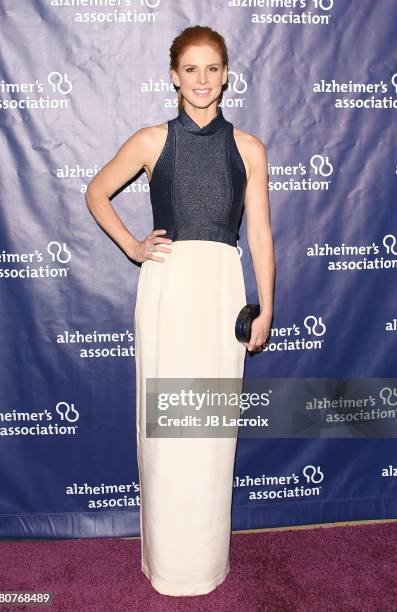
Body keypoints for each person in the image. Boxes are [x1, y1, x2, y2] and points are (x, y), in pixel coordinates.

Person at [86, 25, 275, 597]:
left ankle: (204, 562)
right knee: (167, 432)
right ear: (174, 76)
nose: (201, 79)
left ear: (225, 75)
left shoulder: (248, 147)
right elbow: (97, 192)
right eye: (189, 69)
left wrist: (265, 306)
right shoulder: (150, 141)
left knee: (211, 432)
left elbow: (261, 236)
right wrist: (134, 246)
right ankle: (168, 564)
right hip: (167, 289)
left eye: (211, 68)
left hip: (221, 287)